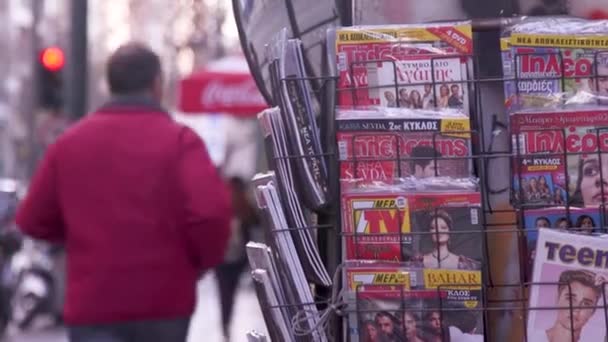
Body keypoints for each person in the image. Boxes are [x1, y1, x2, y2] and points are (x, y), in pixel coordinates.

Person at [15, 43, 232, 342]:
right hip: (164, 303)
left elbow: (31, 219)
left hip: (93, 304)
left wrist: (77, 234)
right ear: (157, 84)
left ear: (109, 85)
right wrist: (196, 264)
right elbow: (210, 215)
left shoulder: (69, 145)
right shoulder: (182, 142)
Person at [529, 270, 603, 342]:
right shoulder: (532, 338)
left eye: (586, 304)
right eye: (570, 299)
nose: (576, 309)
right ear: (558, 298)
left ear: (593, 312)